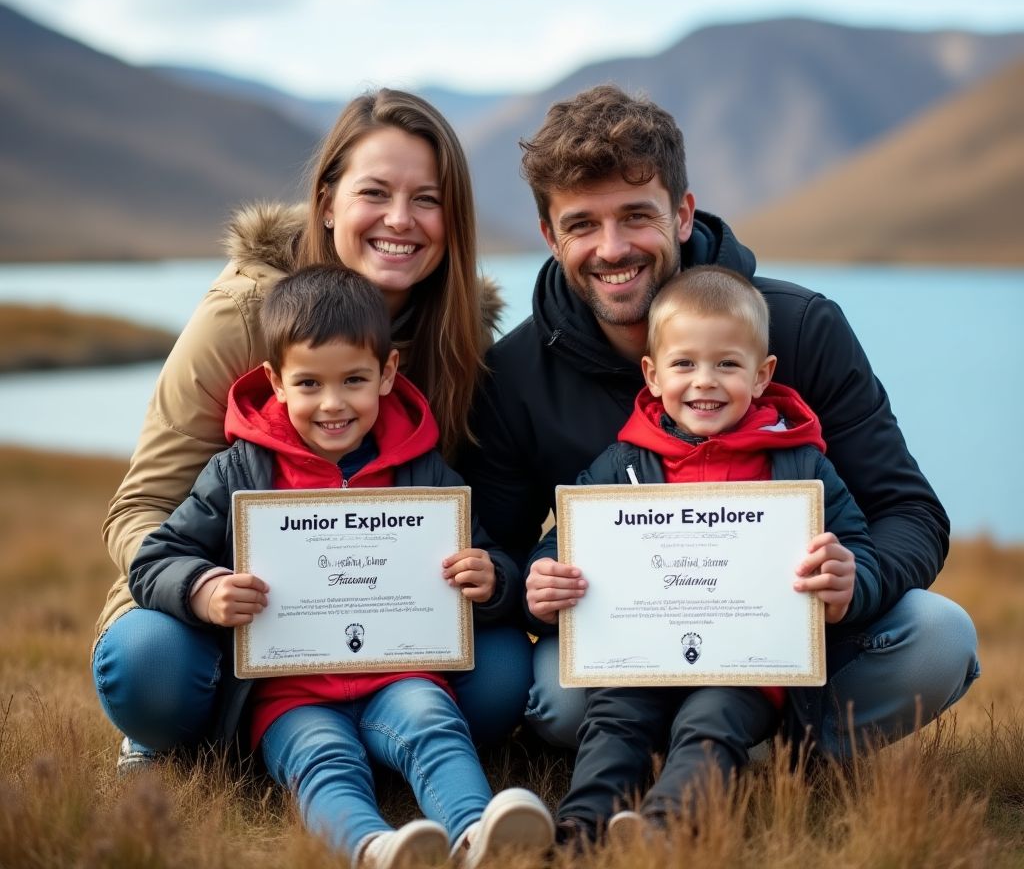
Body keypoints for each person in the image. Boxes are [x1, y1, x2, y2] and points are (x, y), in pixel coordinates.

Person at [459, 84, 979, 758]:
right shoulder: (517, 374)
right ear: (550, 237)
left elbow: (912, 515)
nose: (612, 248)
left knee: (939, 637)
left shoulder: (801, 327)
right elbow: (495, 555)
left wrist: (860, 580)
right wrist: (533, 587)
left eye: (636, 216)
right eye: (582, 224)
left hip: (794, 649)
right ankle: (689, 755)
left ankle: (752, 756)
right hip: (630, 659)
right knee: (556, 702)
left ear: (682, 213)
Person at [94, 89, 531, 773]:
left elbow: (448, 515)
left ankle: (358, 729)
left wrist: (486, 578)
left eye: (427, 199)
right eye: (375, 192)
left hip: (382, 633)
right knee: (147, 665)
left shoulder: (457, 336)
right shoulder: (242, 314)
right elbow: (141, 508)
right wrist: (203, 591)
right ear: (327, 201)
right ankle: (204, 725)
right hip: (230, 622)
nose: (400, 220)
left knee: (504, 671)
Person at [128, 266, 555, 869]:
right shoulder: (239, 473)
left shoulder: (423, 472)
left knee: (435, 727)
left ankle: (479, 832)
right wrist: (204, 589)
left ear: (387, 373)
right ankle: (371, 848)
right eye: (309, 383)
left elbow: (492, 564)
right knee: (322, 757)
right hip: (288, 692)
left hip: (402, 674)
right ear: (275, 382)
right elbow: (155, 560)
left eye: (354, 379)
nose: (333, 404)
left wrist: (492, 580)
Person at [529, 266, 882, 843]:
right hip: (639, 654)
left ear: (763, 375)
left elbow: (858, 549)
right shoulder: (622, 465)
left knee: (711, 720)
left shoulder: (800, 465)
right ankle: (578, 830)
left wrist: (849, 580)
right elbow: (565, 540)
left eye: (727, 364)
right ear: (652, 373)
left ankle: (666, 829)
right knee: (614, 718)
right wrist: (545, 577)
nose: (705, 382)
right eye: (685, 364)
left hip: (748, 664)